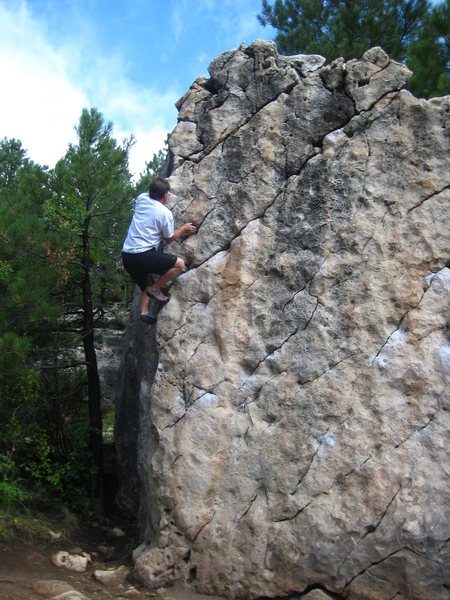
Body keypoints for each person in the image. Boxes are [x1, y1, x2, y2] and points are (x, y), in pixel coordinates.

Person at [122, 177, 196, 323]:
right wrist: (183, 229)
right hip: (143, 256)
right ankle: (155, 289)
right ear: (165, 195)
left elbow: (149, 191)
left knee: (144, 282)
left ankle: (144, 312)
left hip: (127, 257)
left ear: (150, 191)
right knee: (179, 265)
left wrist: (159, 182)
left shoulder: (141, 199)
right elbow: (168, 239)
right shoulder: (164, 213)